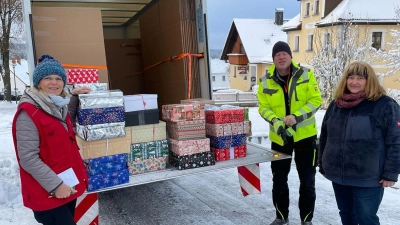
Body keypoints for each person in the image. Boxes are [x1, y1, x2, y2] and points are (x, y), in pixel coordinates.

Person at [12, 54, 92, 225]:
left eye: (58, 78)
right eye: (47, 78)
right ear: (38, 82)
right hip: (48, 191)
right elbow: (28, 158)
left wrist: (74, 96)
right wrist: (56, 186)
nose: (54, 82)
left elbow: (59, 125)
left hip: (67, 184)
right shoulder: (29, 112)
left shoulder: (57, 105)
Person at [318, 61, 400, 225]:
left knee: (366, 219)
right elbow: (325, 136)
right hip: (339, 177)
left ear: (369, 81)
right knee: (346, 215)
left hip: (368, 178)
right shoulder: (336, 104)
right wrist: (323, 162)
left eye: (360, 78)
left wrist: (391, 172)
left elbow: (396, 140)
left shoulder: (384, 105)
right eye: (351, 77)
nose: (354, 82)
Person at [257, 41, 322, 225]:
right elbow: (263, 107)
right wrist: (276, 121)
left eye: (284, 53)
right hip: (280, 138)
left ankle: (306, 220)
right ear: (273, 59)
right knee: (279, 180)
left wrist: (296, 116)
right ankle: (281, 217)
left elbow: (316, 100)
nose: (281, 57)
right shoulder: (265, 81)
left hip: (305, 138)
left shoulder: (306, 74)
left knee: (307, 181)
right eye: (277, 54)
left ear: (290, 56)